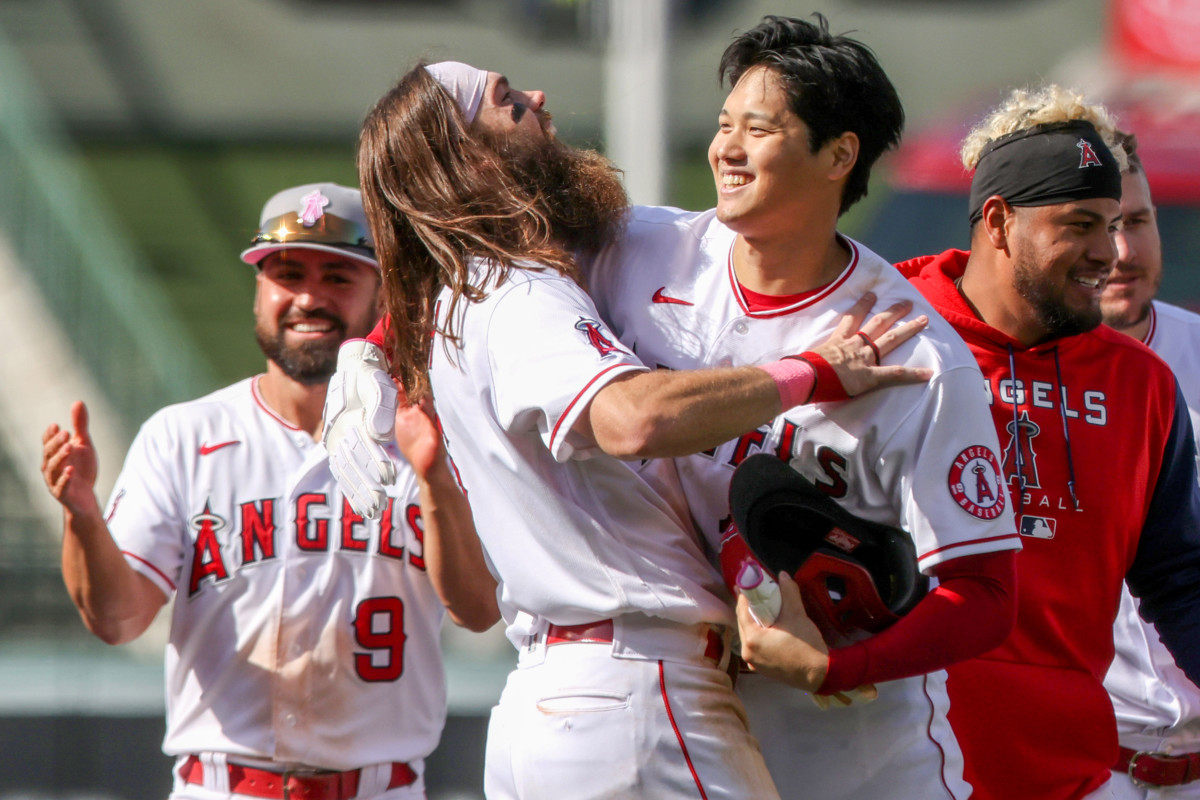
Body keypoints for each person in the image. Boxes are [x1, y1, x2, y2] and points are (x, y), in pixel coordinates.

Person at [340, 57, 931, 799]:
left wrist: (372, 343)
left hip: (554, 701)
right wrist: (811, 372)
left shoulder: (460, 299)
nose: (536, 96)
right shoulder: (519, 292)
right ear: (468, 155)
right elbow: (634, 418)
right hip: (633, 694)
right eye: (505, 100)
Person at [587, 15, 1022, 799]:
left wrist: (837, 666)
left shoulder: (914, 355)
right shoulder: (644, 252)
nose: (726, 149)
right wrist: (373, 346)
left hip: (862, 755)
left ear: (838, 155)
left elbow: (986, 596)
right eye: (725, 124)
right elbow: (500, 262)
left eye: (759, 129)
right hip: (687, 725)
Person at [40, 183, 495, 800]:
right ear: (260, 290)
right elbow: (118, 619)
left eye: (338, 276)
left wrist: (436, 474)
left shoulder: (428, 434)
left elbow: (478, 610)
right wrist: (84, 518)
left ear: (381, 293)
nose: (308, 297)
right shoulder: (185, 435)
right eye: (287, 274)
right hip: (223, 787)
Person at [896, 86, 1200, 800]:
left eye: (1127, 221)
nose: (1111, 252)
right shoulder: (888, 330)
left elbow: (1180, 578)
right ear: (999, 221)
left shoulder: (1142, 384)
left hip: (1075, 773)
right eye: (1084, 224)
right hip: (904, 759)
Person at [1099, 130, 1200, 798]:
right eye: (1099, 227)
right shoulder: (982, 375)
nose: (1123, 253)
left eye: (1137, 222)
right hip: (1077, 767)